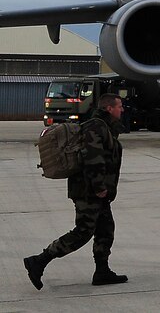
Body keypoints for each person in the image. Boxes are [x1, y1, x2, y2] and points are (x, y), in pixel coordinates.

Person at [24, 94, 128, 290]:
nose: (122, 109)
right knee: (83, 231)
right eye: (119, 106)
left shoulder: (105, 127)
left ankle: (102, 271)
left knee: (105, 230)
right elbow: (93, 158)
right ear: (109, 108)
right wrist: (99, 187)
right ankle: (39, 261)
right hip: (88, 191)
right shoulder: (95, 127)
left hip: (97, 191)